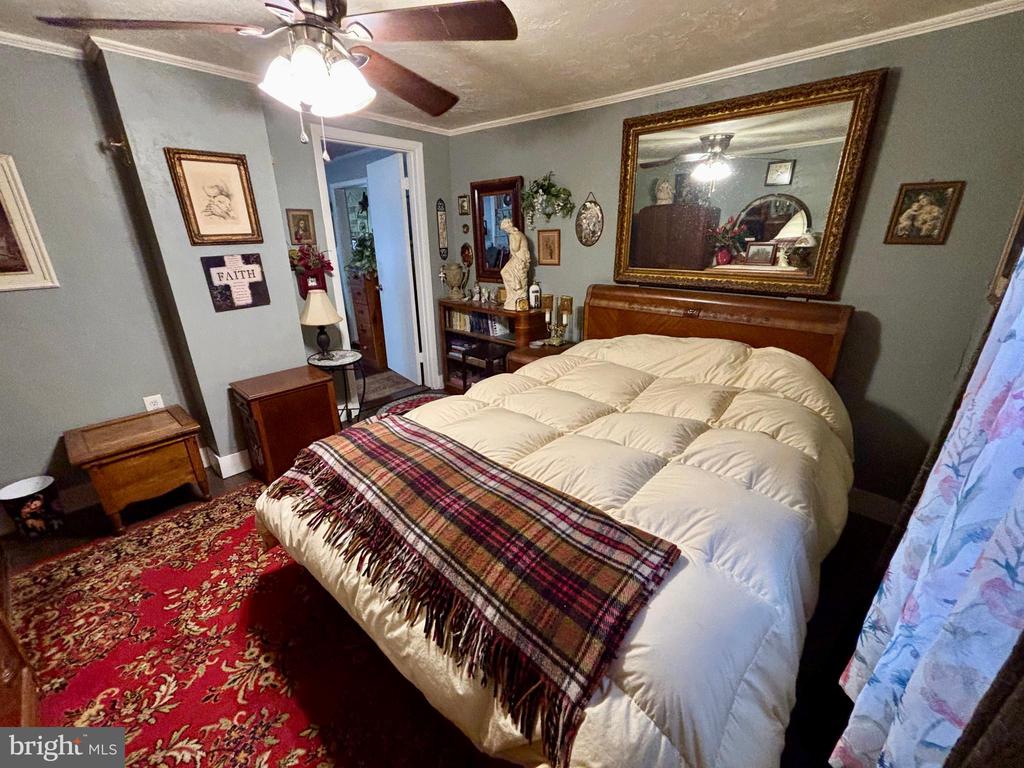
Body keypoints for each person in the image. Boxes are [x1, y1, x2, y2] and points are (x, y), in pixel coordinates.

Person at [499, 218, 530, 309]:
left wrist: (511, 239)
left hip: (520, 260)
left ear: (509, 226)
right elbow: (513, 251)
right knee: (504, 271)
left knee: (504, 272)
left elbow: (515, 248)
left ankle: (517, 285)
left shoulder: (516, 234)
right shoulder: (514, 235)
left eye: (506, 229)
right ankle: (515, 285)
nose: (506, 231)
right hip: (516, 258)